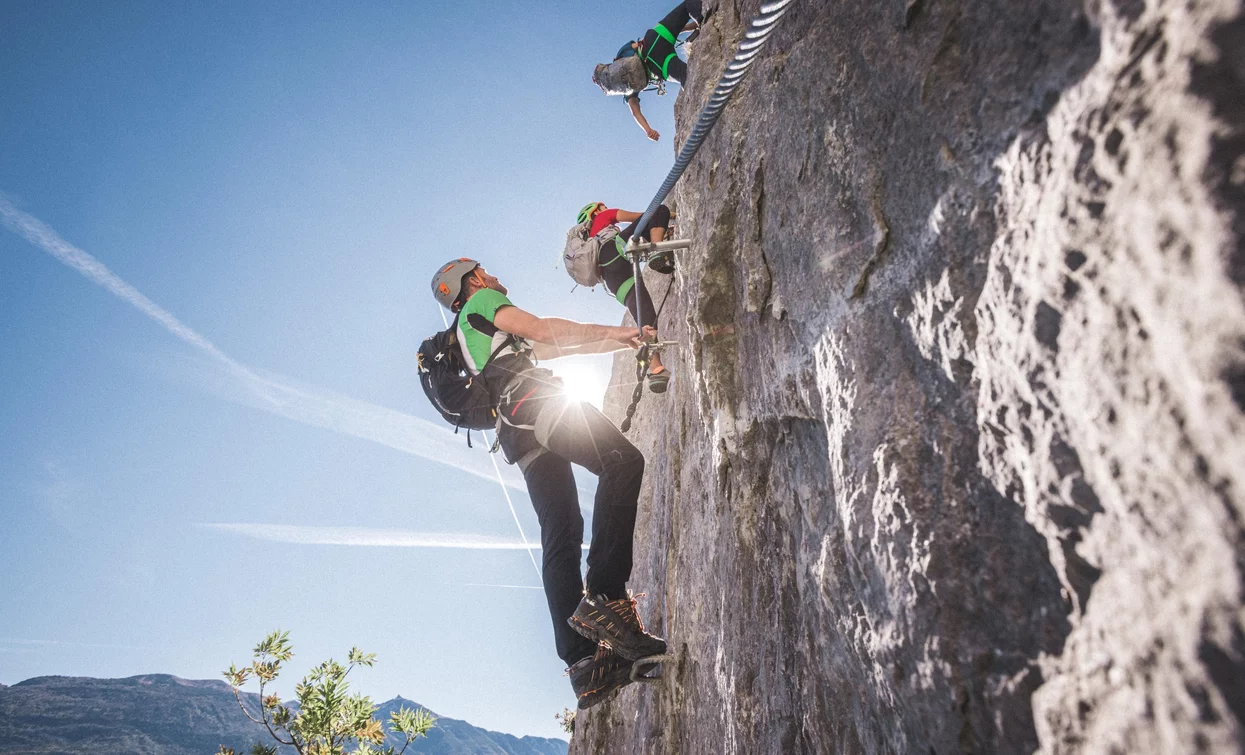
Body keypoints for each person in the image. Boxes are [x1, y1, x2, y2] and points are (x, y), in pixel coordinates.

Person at [430, 258, 668, 709]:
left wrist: (620, 337)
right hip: (537, 404)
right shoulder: (483, 301)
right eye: (486, 271)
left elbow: (556, 346)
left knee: (561, 533)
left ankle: (584, 663)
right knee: (623, 462)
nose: (496, 275)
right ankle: (607, 599)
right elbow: (544, 329)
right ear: (472, 281)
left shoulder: (476, 338)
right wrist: (620, 334)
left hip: (517, 431)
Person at [576, 201, 675, 393]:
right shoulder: (603, 217)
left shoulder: (590, 242)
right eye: (602, 207)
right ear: (594, 212)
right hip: (614, 251)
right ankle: (659, 251)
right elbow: (642, 215)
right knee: (658, 210)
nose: (605, 209)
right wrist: (671, 215)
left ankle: (656, 369)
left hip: (612, 279)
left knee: (645, 317)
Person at [592, 1, 704, 141]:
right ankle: (704, 17)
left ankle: (706, 105)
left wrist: (648, 130)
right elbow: (640, 44)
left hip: (659, 67)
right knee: (688, 5)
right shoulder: (621, 55)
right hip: (655, 41)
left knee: (689, 78)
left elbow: (635, 111)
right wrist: (684, 26)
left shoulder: (627, 86)